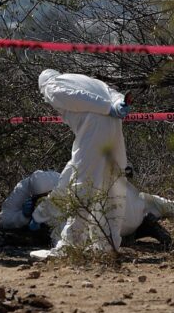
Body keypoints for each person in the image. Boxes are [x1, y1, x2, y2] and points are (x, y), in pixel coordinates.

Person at [29, 69, 129, 259]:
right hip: (113, 124)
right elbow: (112, 92)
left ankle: (70, 246)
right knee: (112, 182)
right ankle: (108, 245)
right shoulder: (84, 80)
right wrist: (116, 103)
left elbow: (68, 96)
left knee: (83, 184)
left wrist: (106, 107)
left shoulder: (51, 86)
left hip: (95, 126)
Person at [0, 168, 174, 247]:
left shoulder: (70, 191)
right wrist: (23, 217)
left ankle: (144, 227)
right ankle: (144, 227)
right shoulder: (29, 186)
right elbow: (5, 219)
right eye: (41, 197)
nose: (45, 199)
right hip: (128, 212)